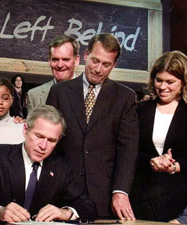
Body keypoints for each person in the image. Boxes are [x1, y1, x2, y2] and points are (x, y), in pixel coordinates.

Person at [46, 33, 138, 220]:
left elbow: (128, 149)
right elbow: (48, 142)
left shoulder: (125, 97)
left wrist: (120, 191)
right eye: (95, 61)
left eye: (106, 64)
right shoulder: (59, 92)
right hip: (63, 192)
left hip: (104, 195)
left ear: (115, 65)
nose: (98, 69)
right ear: (86, 55)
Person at [0, 105, 97, 223]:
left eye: (51, 140)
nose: (43, 146)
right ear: (25, 130)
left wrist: (65, 212)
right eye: (39, 136)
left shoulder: (62, 167)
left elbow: (87, 206)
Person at [130, 51, 187, 222]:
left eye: (170, 82)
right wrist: (151, 161)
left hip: (178, 200)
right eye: (159, 80)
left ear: (183, 83)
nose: (162, 87)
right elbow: (129, 151)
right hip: (141, 199)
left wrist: (175, 166)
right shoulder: (140, 110)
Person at [27, 34, 80, 112]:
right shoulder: (34, 95)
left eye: (65, 59)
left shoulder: (89, 93)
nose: (60, 65)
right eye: (55, 59)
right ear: (49, 60)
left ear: (76, 60)